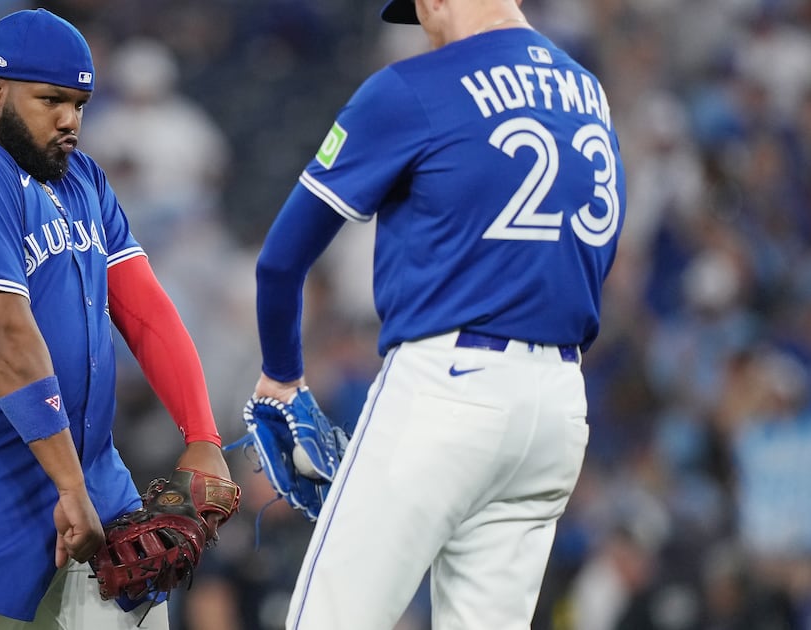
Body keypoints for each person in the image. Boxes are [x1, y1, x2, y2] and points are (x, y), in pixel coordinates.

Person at [250, 0, 626, 628]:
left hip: (447, 389)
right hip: (558, 405)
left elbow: (280, 262)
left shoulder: (412, 87)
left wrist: (282, 375)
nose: (423, 21)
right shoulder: (589, 92)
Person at [0, 9, 233, 630]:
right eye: (50, 100)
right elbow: (6, 334)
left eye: (79, 104)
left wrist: (202, 435)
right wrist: (69, 486)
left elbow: (144, 309)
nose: (69, 119)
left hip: (92, 483)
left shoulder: (83, 181)